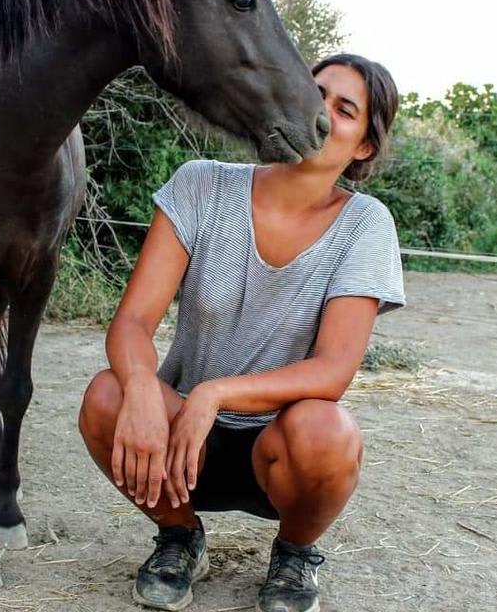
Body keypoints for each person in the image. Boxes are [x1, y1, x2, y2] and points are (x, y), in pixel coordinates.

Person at [78, 53, 405, 612]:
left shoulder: (365, 223)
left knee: (329, 431)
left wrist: (217, 392)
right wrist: (139, 386)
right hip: (181, 442)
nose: (322, 113)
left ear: (364, 146)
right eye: (315, 92)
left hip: (281, 448)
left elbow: (334, 370)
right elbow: (133, 321)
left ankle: (295, 553)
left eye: (345, 110)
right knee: (106, 395)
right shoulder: (200, 185)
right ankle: (179, 536)